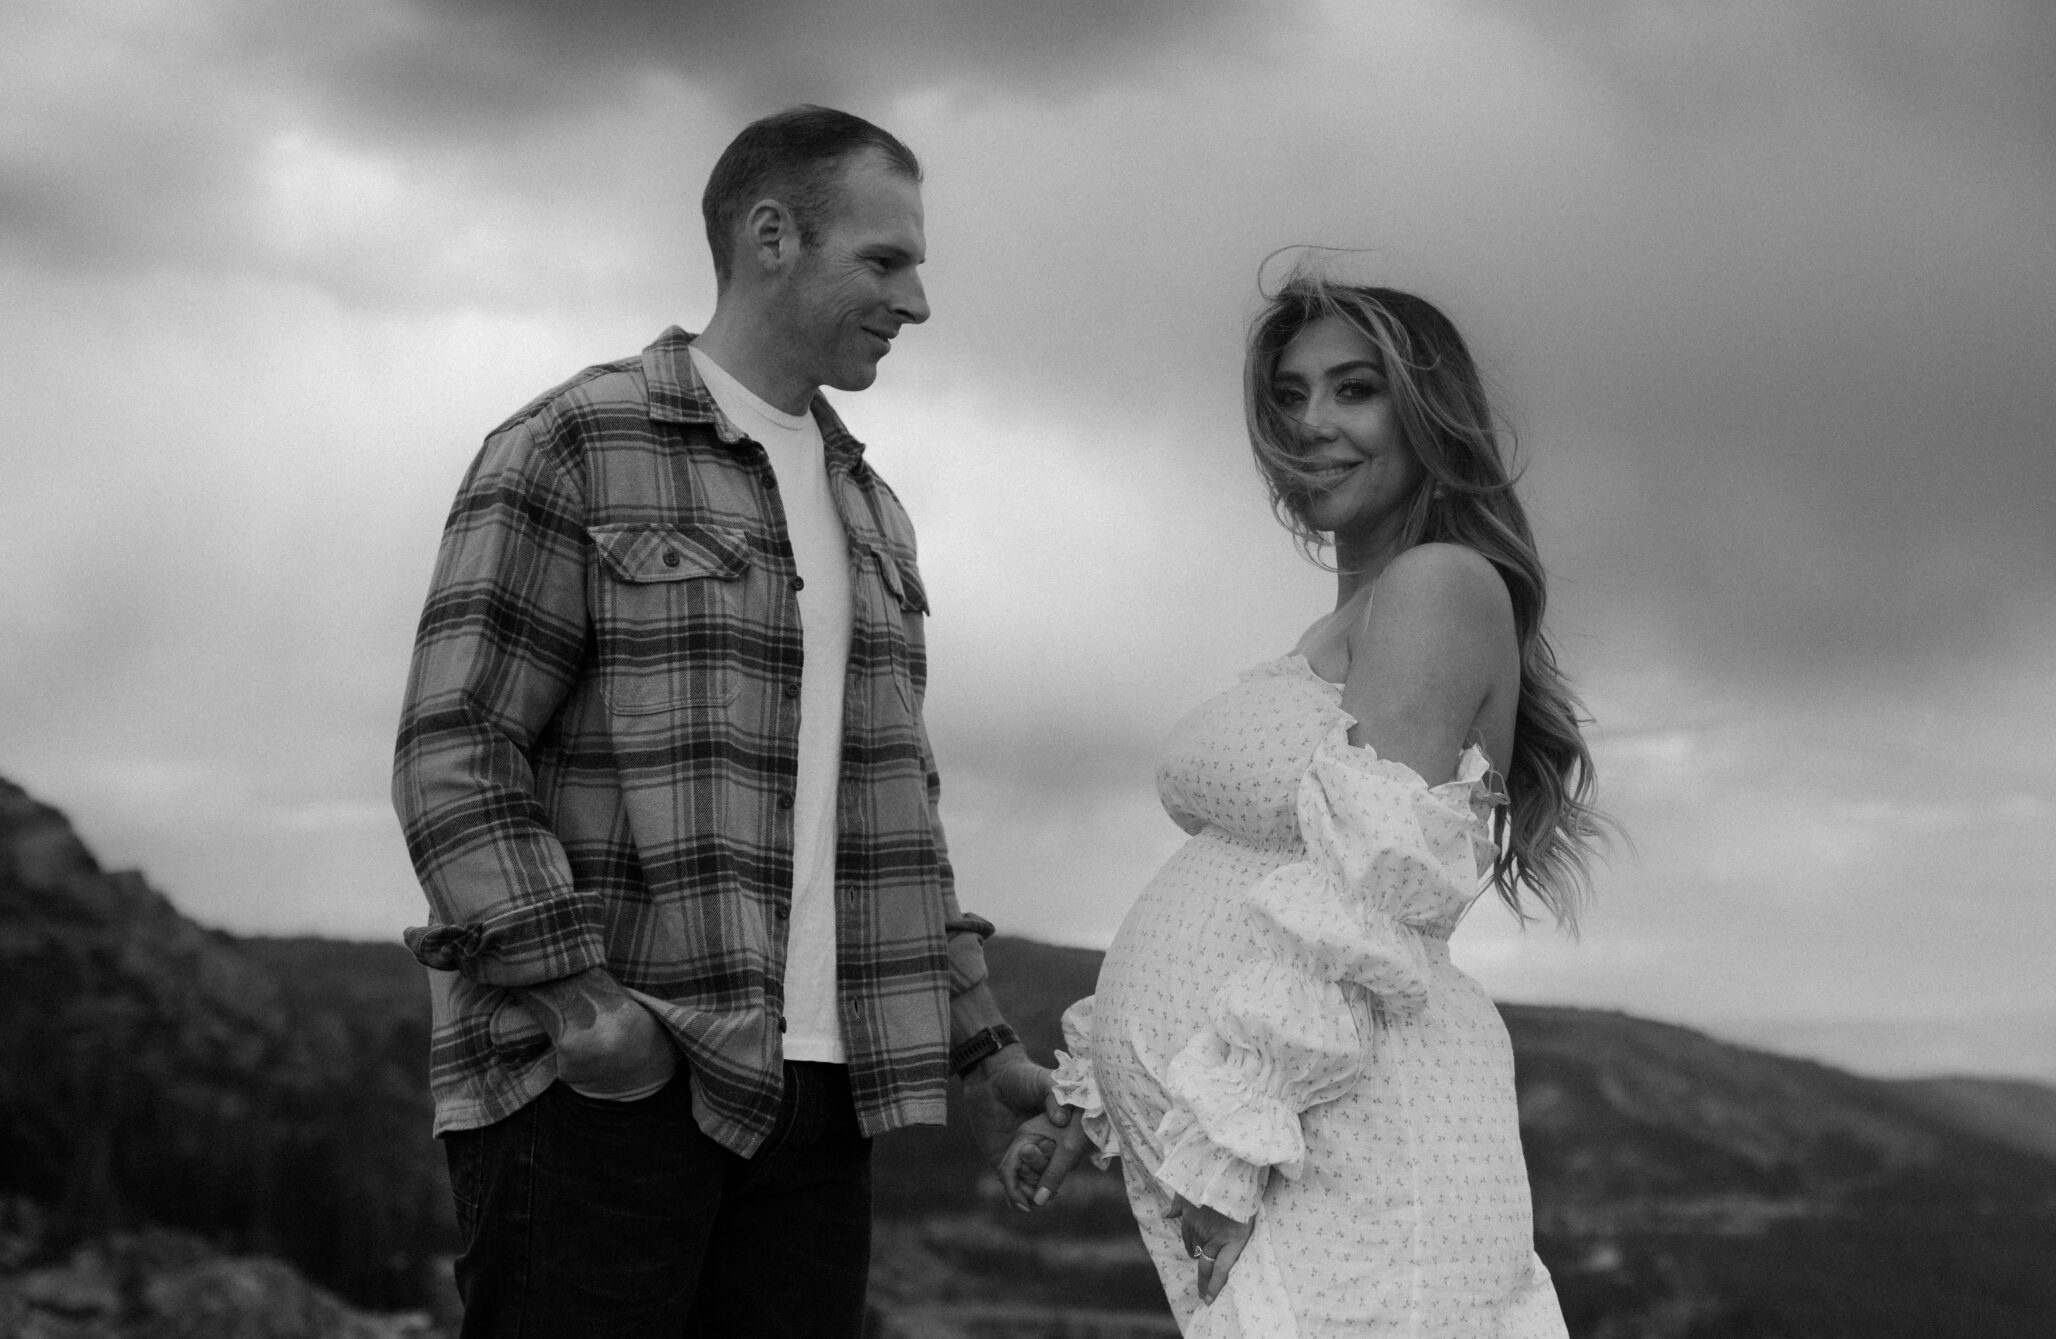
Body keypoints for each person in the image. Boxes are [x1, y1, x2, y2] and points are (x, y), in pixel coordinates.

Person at [393, 105, 1063, 1338]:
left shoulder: (874, 512)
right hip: (606, 1093)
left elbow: (891, 820)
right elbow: (455, 751)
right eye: (885, 260)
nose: (916, 302)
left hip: (823, 1103)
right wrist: (583, 1014)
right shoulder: (572, 445)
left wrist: (979, 1058)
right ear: (770, 236)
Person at [1019, 271, 1608, 1336]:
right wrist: (1092, 1096)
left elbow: (1365, 899)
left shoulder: (1440, 586)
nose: (1310, 425)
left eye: (1353, 391)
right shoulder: (1346, 625)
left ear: (1428, 413)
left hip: (1353, 1157)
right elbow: (1251, 894)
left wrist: (1232, 1154)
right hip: (1290, 1150)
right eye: (1287, 398)